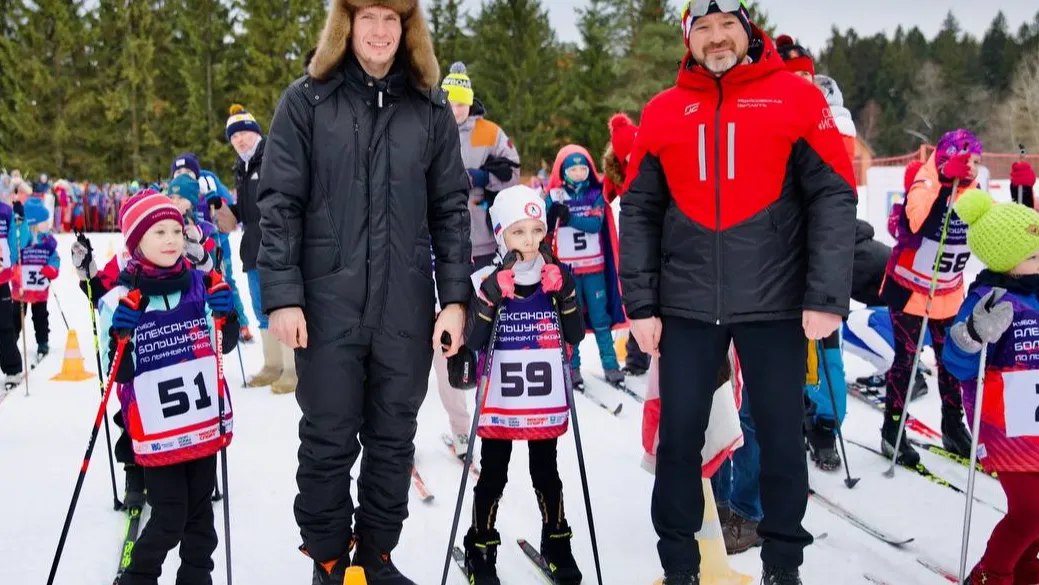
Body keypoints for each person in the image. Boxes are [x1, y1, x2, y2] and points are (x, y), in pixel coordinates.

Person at [619, 1, 858, 583]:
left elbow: (833, 196)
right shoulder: (664, 111)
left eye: (728, 24)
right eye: (702, 27)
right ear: (689, 38)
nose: (717, 37)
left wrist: (826, 296)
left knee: (779, 436)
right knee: (679, 441)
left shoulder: (796, 97)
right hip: (686, 304)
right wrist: (642, 306)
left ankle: (782, 562)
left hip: (776, 302)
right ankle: (680, 564)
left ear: (747, 30)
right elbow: (640, 210)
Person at [257, 1, 471, 582]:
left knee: (393, 440)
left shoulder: (427, 110)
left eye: (391, 19)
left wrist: (454, 298)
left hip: (403, 307)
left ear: (408, 30)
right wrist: (282, 294)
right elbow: (278, 204)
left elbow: (451, 209)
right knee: (327, 439)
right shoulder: (306, 100)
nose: (379, 31)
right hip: (327, 307)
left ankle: (375, 557)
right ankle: (329, 559)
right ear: (345, 26)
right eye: (367, 17)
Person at [98, 190, 239, 585]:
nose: (171, 239)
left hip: (201, 424)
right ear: (136, 242)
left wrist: (225, 317)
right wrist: (120, 337)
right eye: (158, 231)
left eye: (176, 230)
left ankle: (197, 578)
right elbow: (119, 374)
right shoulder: (124, 297)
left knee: (200, 518)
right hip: (158, 432)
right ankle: (138, 577)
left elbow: (223, 348)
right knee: (170, 516)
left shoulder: (201, 283)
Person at [453, 185, 584, 585]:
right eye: (518, 232)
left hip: (543, 394)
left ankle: (557, 542)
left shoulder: (557, 274)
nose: (529, 241)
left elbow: (575, 332)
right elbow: (473, 342)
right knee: (494, 473)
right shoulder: (483, 278)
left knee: (547, 471)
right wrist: (491, 296)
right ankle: (480, 547)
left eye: (536, 230)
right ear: (500, 235)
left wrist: (565, 292)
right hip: (501, 396)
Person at [942, 189, 1039, 585]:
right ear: (1006, 262)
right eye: (1032, 256)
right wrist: (972, 334)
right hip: (1005, 425)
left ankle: (1026, 567)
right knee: (1030, 510)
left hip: (1034, 416)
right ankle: (991, 575)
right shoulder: (988, 298)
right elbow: (956, 361)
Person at [432, 60, 520, 458]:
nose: (457, 108)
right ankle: (458, 425)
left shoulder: (489, 131)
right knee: (445, 339)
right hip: (438, 247)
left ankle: (491, 414)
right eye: (451, 99)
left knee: (484, 334)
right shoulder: (429, 124)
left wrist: (484, 179)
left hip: (483, 246)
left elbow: (512, 175)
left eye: (464, 100)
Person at [882, 128, 981, 464]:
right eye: (964, 161)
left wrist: (1022, 192)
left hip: (948, 293)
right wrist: (943, 188)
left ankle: (953, 425)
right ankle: (892, 429)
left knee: (951, 363)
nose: (970, 169)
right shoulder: (926, 182)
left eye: (975, 163)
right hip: (909, 290)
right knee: (906, 363)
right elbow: (914, 225)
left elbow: (995, 230)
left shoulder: (974, 192)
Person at [218, 104, 292, 391]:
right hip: (252, 247)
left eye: (244, 134)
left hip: (277, 246)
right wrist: (232, 212)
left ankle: (293, 368)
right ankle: (272, 365)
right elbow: (252, 208)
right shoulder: (243, 166)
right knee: (261, 308)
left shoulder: (272, 156)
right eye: (234, 137)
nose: (239, 140)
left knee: (282, 306)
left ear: (255, 133)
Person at [545, 145, 626, 390]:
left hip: (594, 268)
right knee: (572, 320)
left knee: (601, 319)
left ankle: (611, 366)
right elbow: (545, 229)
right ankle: (573, 367)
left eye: (583, 167)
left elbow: (594, 224)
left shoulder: (595, 193)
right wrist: (551, 215)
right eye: (573, 168)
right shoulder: (555, 195)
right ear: (563, 171)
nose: (579, 172)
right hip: (567, 273)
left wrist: (569, 218)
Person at [602, 112, 652, 376]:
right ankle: (637, 357)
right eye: (630, 156)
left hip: (658, 236)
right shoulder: (618, 174)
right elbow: (603, 196)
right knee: (640, 297)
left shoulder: (653, 160)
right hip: (633, 237)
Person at [11, 197, 58, 362]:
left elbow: (54, 259)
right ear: (34, 223)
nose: (47, 224)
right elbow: (14, 258)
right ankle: (10, 343)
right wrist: (16, 275)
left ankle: (43, 342)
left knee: (40, 316)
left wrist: (51, 269)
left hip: (39, 289)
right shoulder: (21, 240)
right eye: (44, 221)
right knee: (16, 317)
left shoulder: (48, 241)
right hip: (22, 288)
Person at [0, 190, 23, 387]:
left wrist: (20, 220)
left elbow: (18, 242)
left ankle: (13, 368)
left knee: (5, 325)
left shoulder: (5, 212)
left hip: (1, 280)